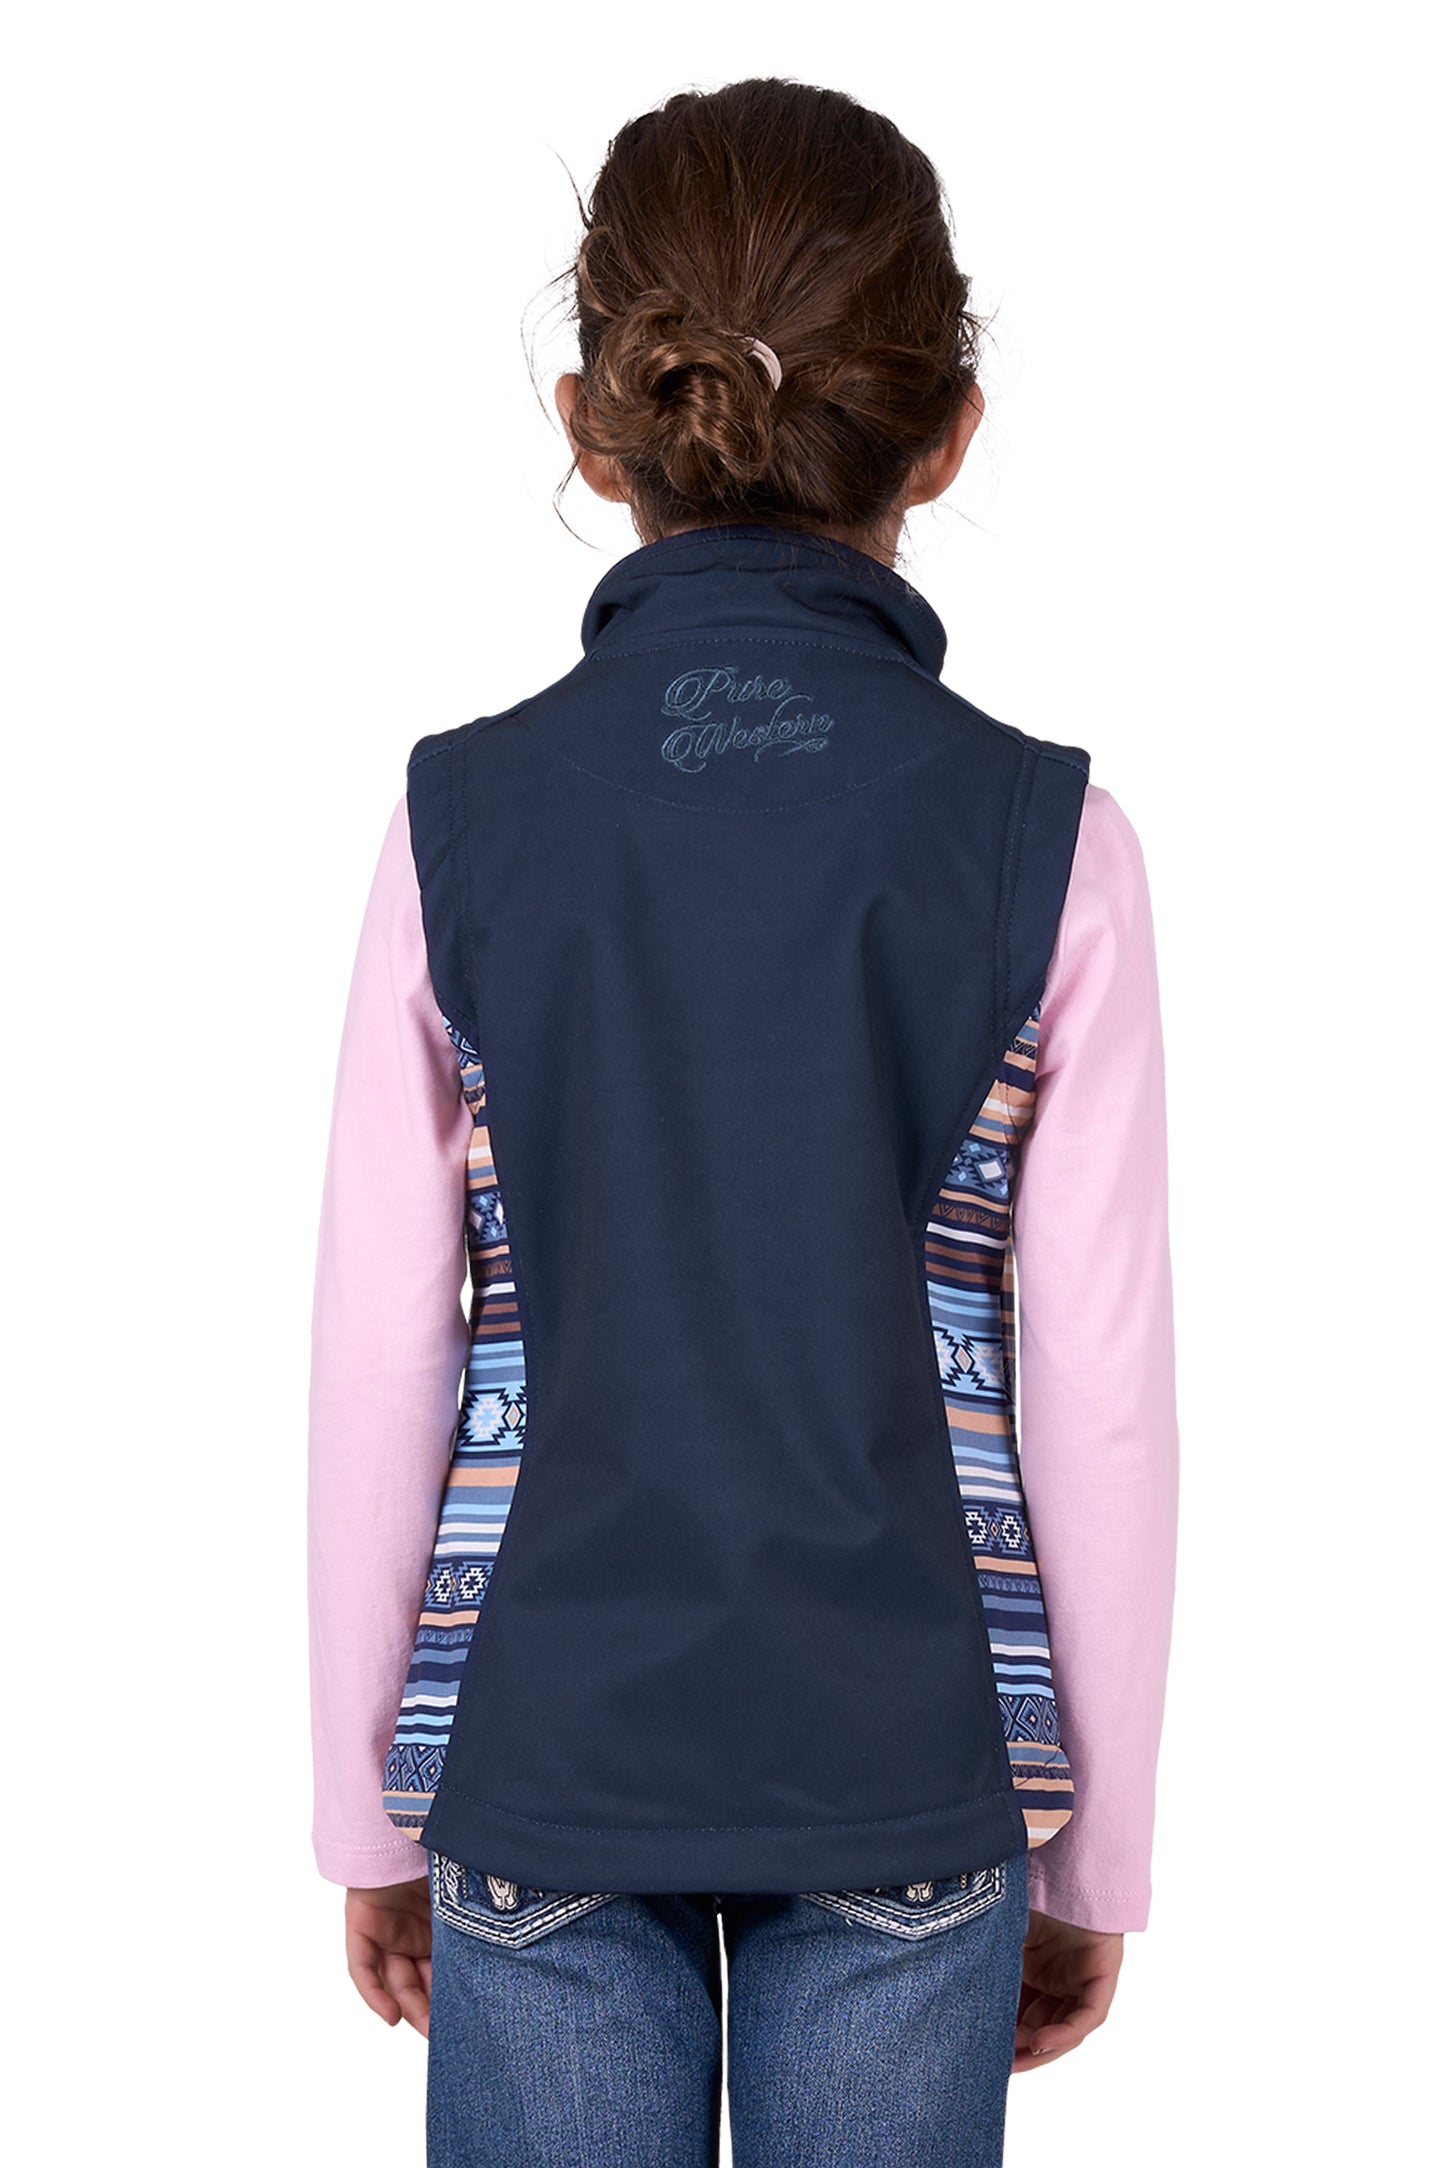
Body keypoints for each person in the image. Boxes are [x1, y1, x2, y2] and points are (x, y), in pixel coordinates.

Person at [307, 76, 1179, 2168]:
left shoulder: (461, 825)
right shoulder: (1050, 844)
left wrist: (369, 1812)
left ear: (590, 424)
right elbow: (1101, 1395)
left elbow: (382, 1354)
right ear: (946, 432)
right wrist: (1098, 1857)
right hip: (912, 1772)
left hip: (543, 1760)